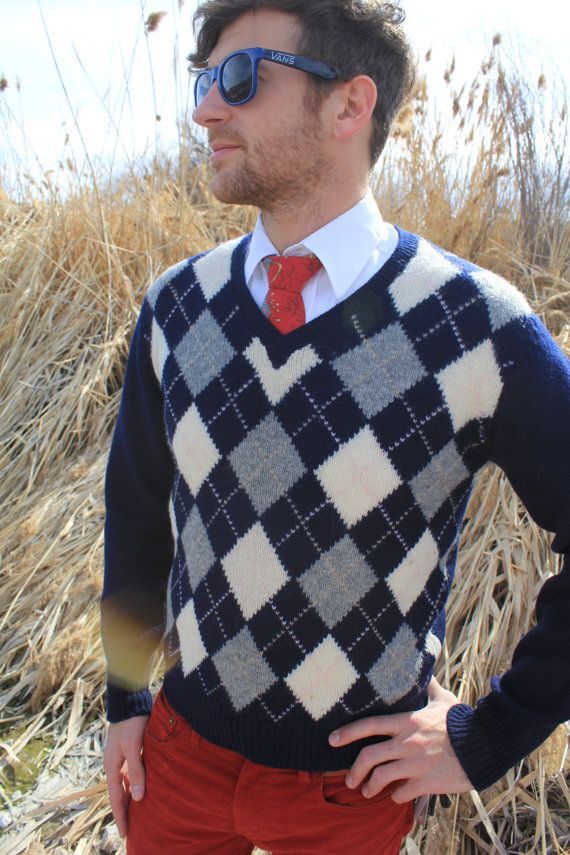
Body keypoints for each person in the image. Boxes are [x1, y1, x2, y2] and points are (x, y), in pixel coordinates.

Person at [101, 1, 570, 853]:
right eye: (203, 81)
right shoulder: (176, 306)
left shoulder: (477, 326)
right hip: (179, 760)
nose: (206, 110)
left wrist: (490, 735)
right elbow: (135, 511)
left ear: (349, 105)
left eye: (240, 78)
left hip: (352, 792)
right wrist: (126, 698)